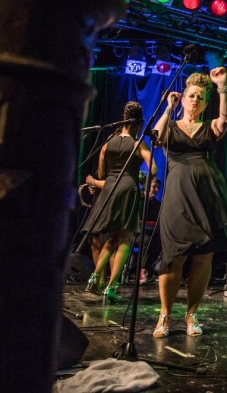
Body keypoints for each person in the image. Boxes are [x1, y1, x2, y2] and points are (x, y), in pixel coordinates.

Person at [151, 69, 227, 338]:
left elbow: (225, 120)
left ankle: (192, 314)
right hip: (177, 195)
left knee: (203, 255)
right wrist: (169, 108)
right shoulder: (171, 125)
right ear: (183, 97)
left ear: (205, 102)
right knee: (173, 256)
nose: (195, 99)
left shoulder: (209, 126)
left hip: (208, 194)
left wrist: (222, 87)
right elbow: (156, 138)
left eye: (200, 97)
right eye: (191, 95)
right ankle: (165, 315)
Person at [83, 101, 156, 304]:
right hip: (128, 189)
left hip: (109, 189)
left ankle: (95, 276)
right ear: (139, 123)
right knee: (125, 237)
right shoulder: (138, 144)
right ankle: (111, 286)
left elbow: (102, 174)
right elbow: (154, 169)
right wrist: (140, 176)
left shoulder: (107, 144)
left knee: (113, 237)